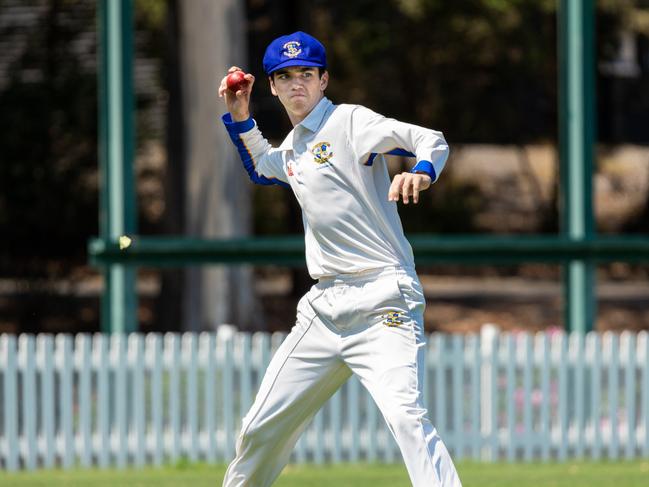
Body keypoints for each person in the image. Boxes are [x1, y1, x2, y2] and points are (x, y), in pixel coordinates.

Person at [218, 31, 461, 487]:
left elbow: (429, 139)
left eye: (306, 74)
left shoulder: (351, 122)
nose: (296, 85)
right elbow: (263, 166)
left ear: (324, 79)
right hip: (324, 310)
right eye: (284, 76)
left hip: (383, 299)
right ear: (272, 86)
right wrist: (239, 116)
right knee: (259, 429)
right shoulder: (293, 149)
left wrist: (423, 172)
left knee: (407, 419)